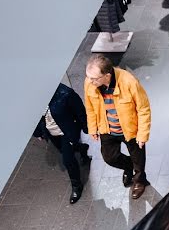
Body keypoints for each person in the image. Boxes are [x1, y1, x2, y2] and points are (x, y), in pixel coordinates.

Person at [84, 55, 153, 200]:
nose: (89, 81)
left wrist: (142, 134)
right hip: (107, 128)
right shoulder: (90, 83)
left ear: (107, 76)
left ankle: (139, 181)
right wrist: (92, 127)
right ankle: (129, 167)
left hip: (130, 129)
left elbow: (143, 108)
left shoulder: (129, 81)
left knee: (139, 160)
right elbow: (90, 108)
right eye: (88, 77)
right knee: (109, 158)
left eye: (94, 78)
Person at [33, 84, 90, 204]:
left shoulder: (65, 93)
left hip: (67, 131)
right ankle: (82, 149)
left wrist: (86, 128)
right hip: (51, 132)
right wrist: (38, 132)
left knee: (68, 160)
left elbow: (80, 110)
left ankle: (76, 186)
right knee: (64, 150)